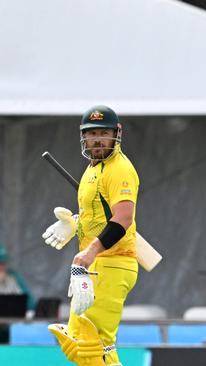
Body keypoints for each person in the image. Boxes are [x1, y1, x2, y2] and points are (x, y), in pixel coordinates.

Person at [42, 105, 140, 366]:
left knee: (94, 346)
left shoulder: (119, 169)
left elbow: (122, 219)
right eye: (91, 133)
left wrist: (90, 251)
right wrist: (74, 224)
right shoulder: (91, 169)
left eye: (103, 133)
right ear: (83, 137)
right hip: (95, 263)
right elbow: (97, 214)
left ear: (116, 134)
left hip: (113, 263)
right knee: (78, 345)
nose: (97, 139)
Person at [0, 244, 35, 310]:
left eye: (3, 263)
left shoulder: (13, 276)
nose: (1, 267)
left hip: (13, 317)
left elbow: (30, 302)